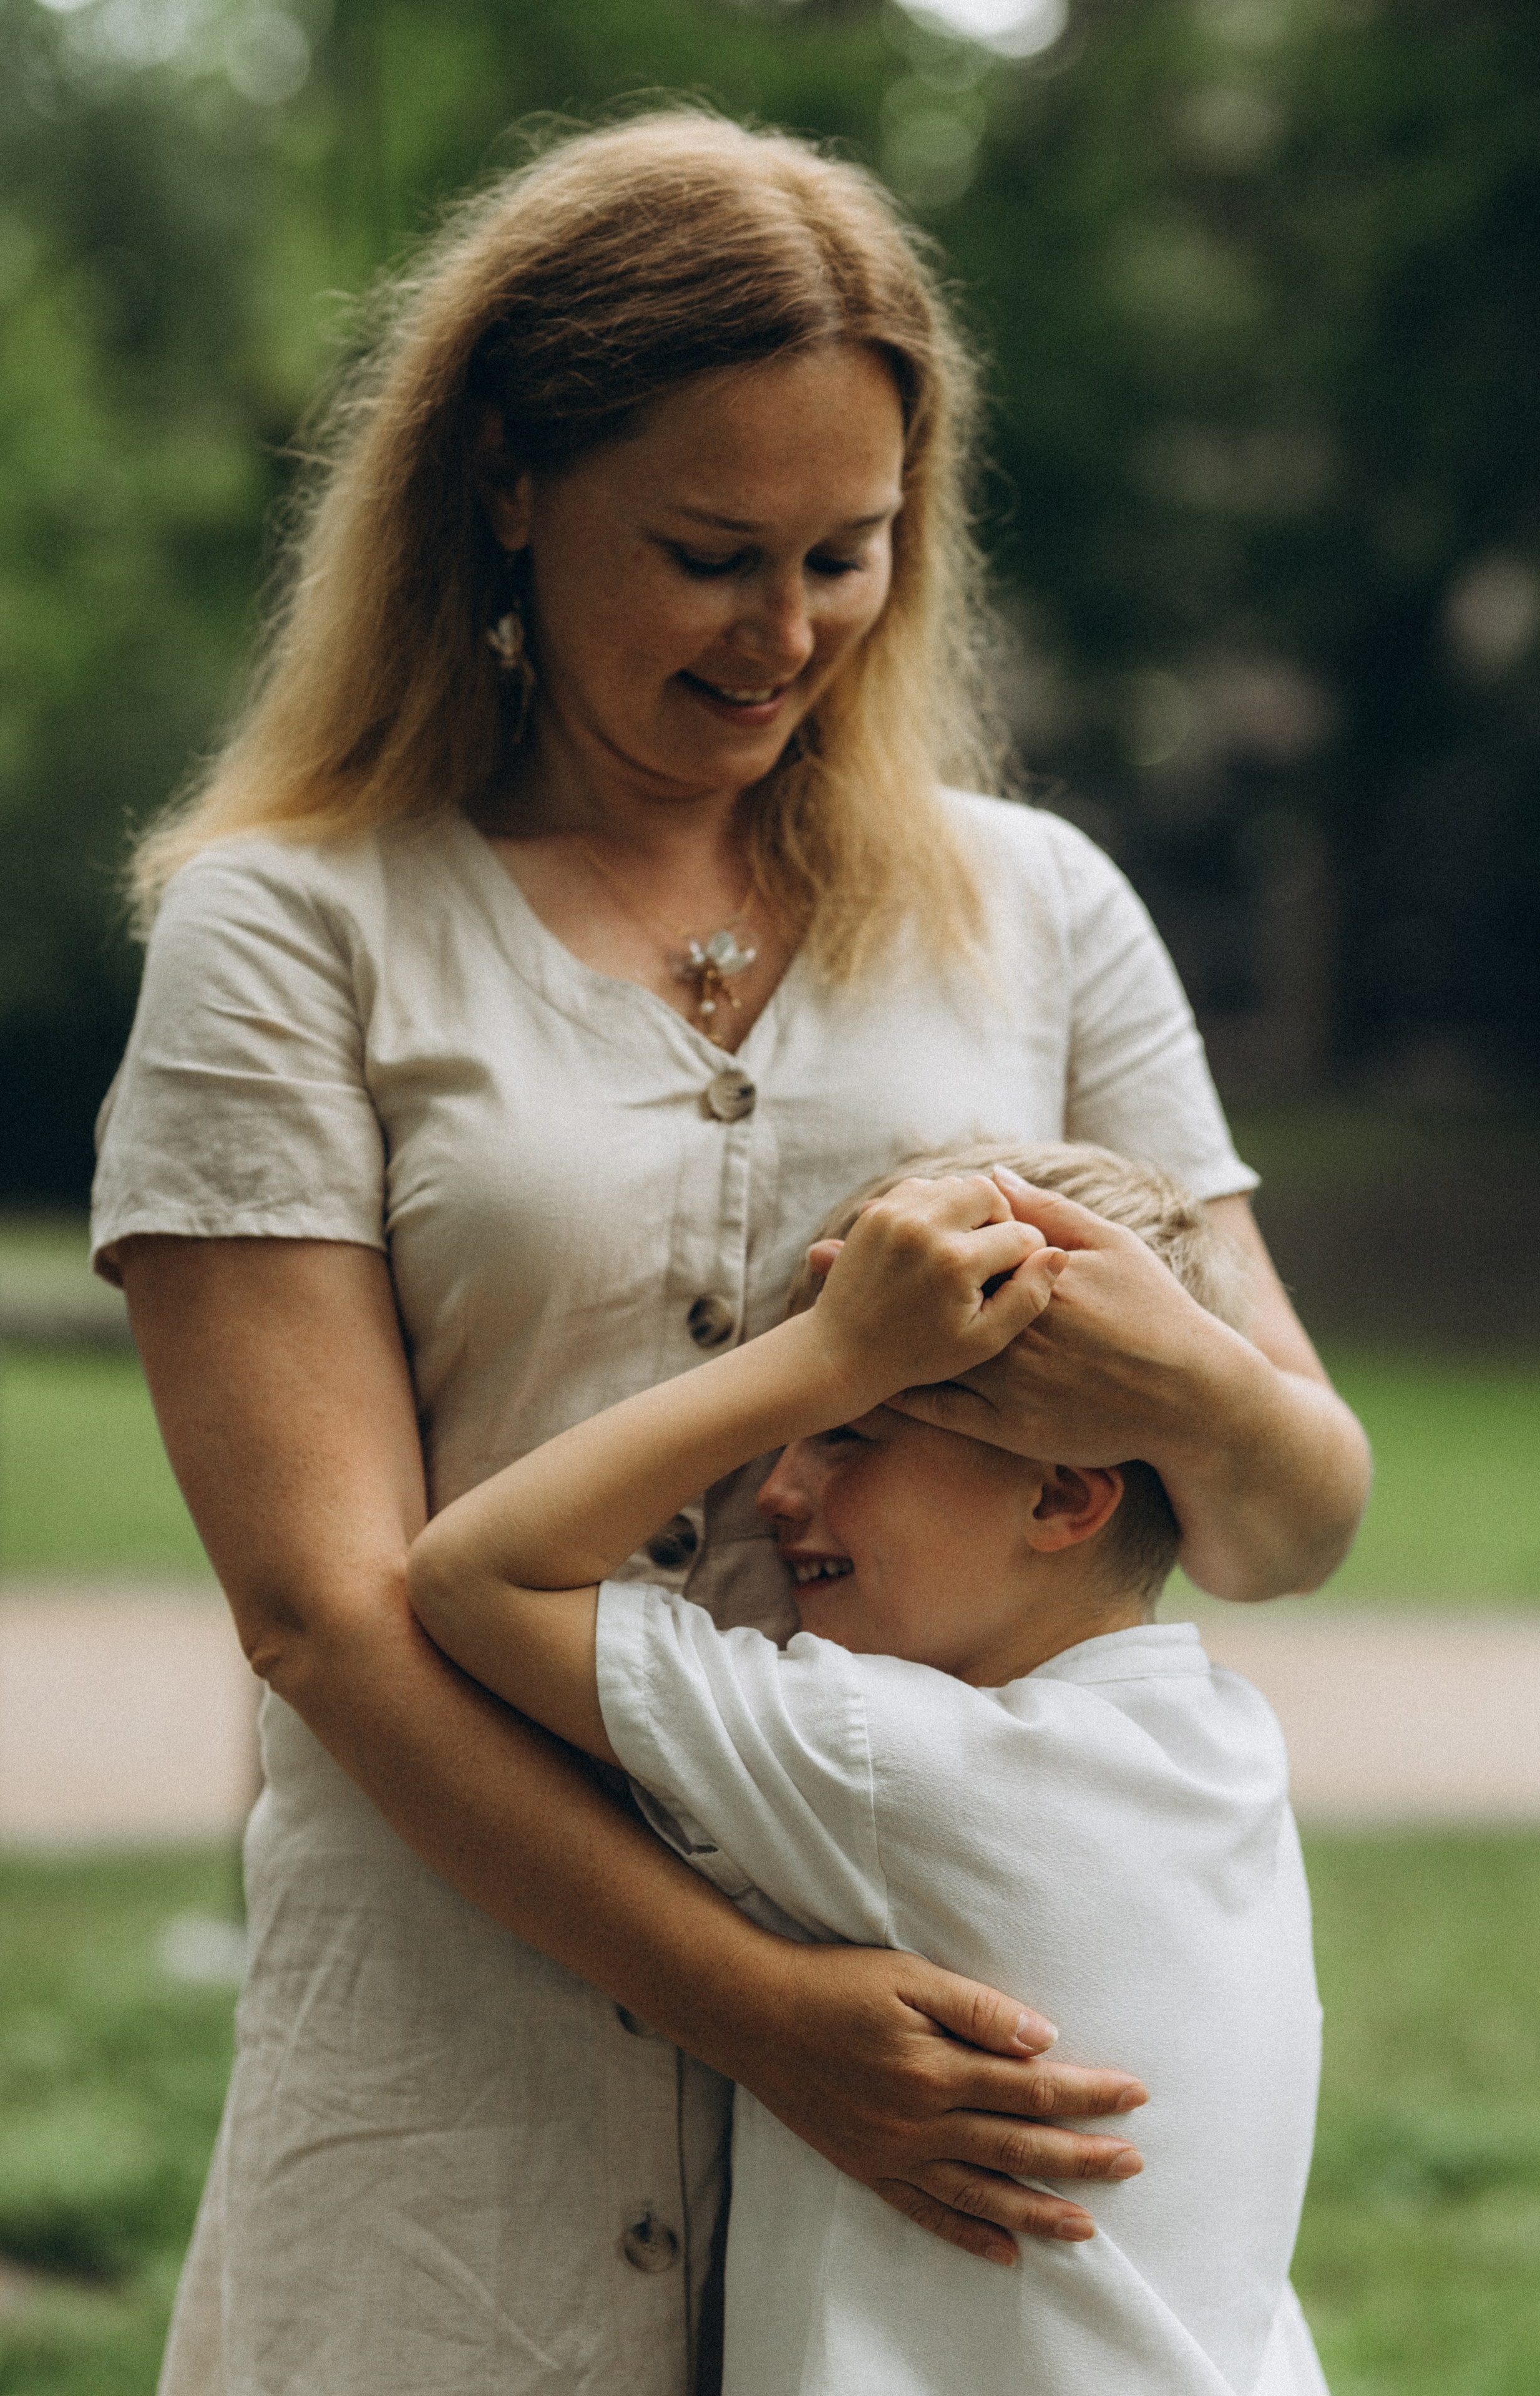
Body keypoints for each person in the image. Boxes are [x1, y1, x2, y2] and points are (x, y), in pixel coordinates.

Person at [90, 109, 1368, 2396]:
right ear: (502, 481)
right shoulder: (291, 930)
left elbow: (1290, 1516)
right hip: (456, 2109)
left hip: (943, 2172)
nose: (787, 632)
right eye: (705, 553)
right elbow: (321, 1611)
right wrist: (763, 2015)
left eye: (848, 553)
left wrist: (1167, 1382)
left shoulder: (1042, 911)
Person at [406, 1146, 1328, 2396]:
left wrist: (825, 1350)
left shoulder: (891, 1760)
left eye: (845, 1436)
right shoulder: (1223, 1741)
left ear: (1062, 1496)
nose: (774, 1491)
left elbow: (475, 1578)